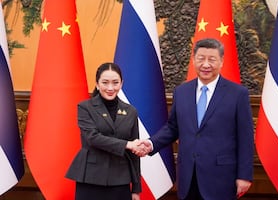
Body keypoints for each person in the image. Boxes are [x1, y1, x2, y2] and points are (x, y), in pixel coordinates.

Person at [136, 38, 254, 200]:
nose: (206, 64)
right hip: (188, 177)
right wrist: (150, 144)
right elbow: (172, 128)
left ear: (221, 62)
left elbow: (245, 138)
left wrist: (244, 175)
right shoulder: (182, 91)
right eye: (201, 59)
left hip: (221, 178)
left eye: (211, 59)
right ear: (193, 60)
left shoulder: (238, 94)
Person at [66, 62, 143, 200]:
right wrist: (127, 144)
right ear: (97, 84)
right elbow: (93, 138)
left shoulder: (131, 111)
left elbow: (134, 155)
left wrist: (136, 189)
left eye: (115, 83)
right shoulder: (85, 107)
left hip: (120, 179)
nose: (110, 88)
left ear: (121, 84)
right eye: (105, 82)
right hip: (90, 178)